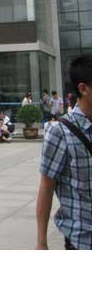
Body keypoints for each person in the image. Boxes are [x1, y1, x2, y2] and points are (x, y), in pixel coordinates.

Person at [36, 56, 92, 251]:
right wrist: (41, 242)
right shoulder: (60, 132)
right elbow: (46, 186)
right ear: (83, 89)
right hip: (82, 241)